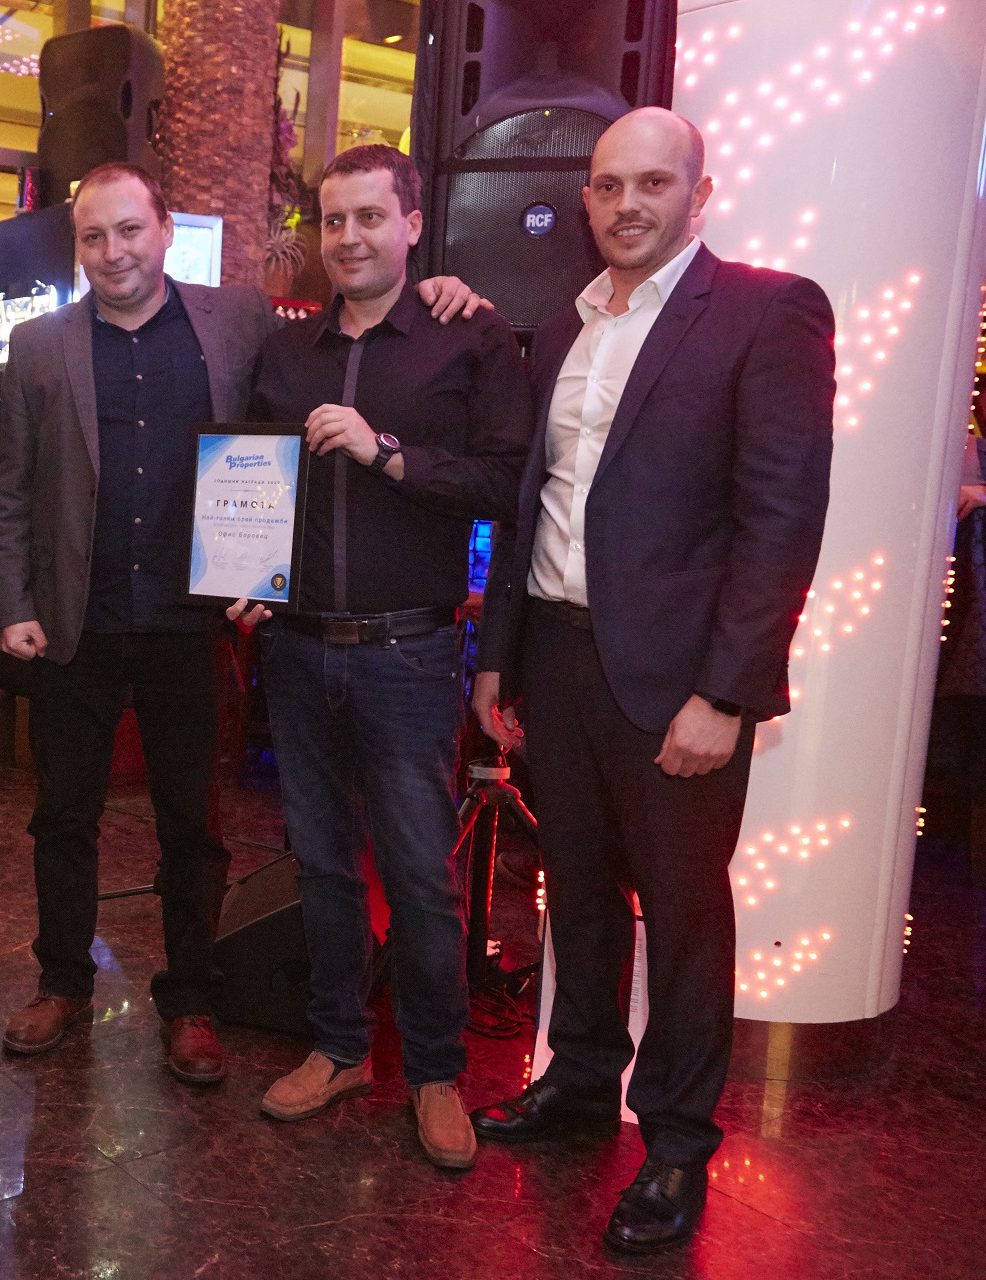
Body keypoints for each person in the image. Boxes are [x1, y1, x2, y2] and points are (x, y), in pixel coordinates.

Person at [0, 160, 484, 1084]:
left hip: (193, 622)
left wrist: (440, 287)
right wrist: (10, 606)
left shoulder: (241, 320)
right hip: (74, 623)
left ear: (165, 232)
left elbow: (343, 339)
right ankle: (61, 982)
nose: (113, 251)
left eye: (129, 230)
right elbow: (10, 487)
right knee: (62, 817)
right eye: (93, 236)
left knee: (193, 825)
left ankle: (191, 999)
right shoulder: (42, 344)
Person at [469, 107, 833, 1253]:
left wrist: (727, 693)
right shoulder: (561, 329)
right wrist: (501, 657)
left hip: (679, 679)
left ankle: (675, 1139)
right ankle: (581, 1078)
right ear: (586, 198)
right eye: (610, 185)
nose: (628, 204)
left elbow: (780, 518)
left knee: (682, 916)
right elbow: (534, 503)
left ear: (699, 193)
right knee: (575, 890)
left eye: (654, 183)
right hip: (559, 658)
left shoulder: (768, 312)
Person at [230, 144, 533, 1168]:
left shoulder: (468, 336)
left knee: (418, 873)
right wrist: (246, 573)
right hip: (298, 650)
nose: (350, 238)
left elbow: (505, 482)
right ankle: (339, 1047)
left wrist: (388, 452)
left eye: (370, 217)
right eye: (334, 220)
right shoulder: (288, 353)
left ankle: (438, 1073)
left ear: (411, 224)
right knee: (319, 864)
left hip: (411, 652)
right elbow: (256, 483)